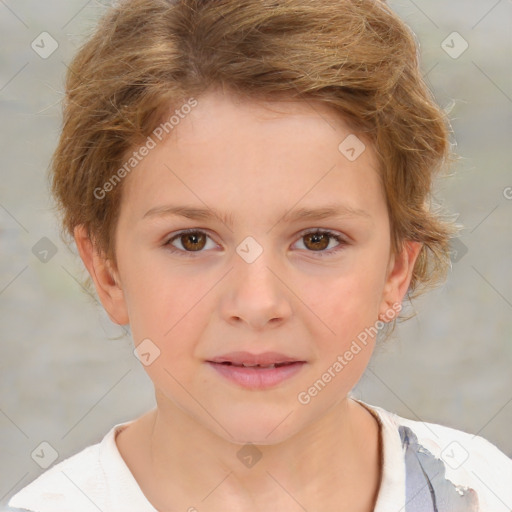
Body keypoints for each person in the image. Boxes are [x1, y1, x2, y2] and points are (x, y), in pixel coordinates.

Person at [7, 0, 512, 510]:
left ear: (396, 271)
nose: (257, 302)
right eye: (192, 240)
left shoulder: (486, 491)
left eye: (317, 239)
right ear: (107, 271)